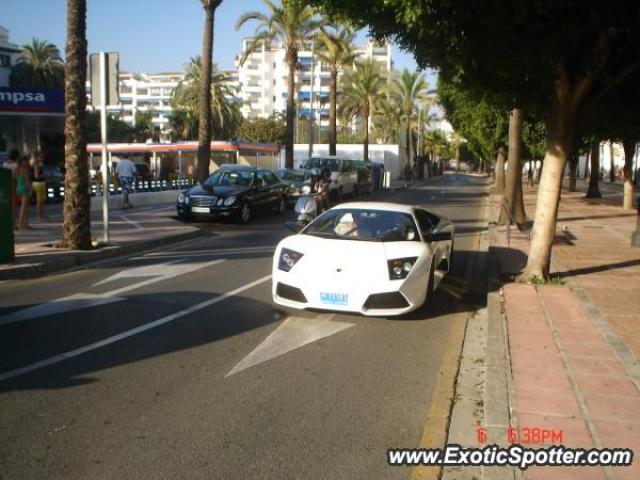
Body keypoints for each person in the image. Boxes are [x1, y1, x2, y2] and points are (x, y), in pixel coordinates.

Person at [16, 155, 32, 230]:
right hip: (24, 188)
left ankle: (25, 224)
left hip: (18, 187)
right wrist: (31, 189)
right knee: (24, 208)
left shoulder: (17, 169)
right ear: (23, 161)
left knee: (25, 207)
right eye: (26, 161)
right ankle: (21, 225)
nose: (28, 162)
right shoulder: (25, 169)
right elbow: (27, 180)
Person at [31, 150, 47, 222]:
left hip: (40, 183)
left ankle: (41, 216)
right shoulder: (36, 163)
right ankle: (39, 217)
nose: (43, 156)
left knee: (42, 201)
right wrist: (44, 175)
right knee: (39, 201)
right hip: (38, 183)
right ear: (38, 156)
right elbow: (36, 176)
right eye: (42, 155)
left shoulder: (39, 163)